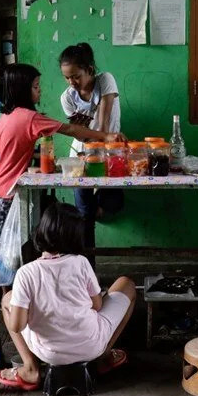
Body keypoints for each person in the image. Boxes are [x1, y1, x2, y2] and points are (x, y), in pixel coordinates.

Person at [0, 63, 126, 297]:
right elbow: (70, 130)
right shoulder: (31, 118)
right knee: (11, 244)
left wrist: (30, 164)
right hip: (12, 189)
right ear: (22, 90)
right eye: (36, 86)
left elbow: (0, 149)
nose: (40, 91)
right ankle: (8, 294)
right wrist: (106, 135)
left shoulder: (5, 117)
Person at [0, 203, 136, 391]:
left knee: (8, 300)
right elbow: (97, 305)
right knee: (127, 284)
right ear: (75, 237)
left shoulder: (26, 273)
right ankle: (103, 358)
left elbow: (17, 326)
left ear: (41, 231)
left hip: (48, 353)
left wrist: (33, 309)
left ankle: (30, 368)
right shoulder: (81, 263)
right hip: (91, 346)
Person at [59, 43, 124, 253]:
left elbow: (104, 126)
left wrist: (104, 139)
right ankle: (88, 268)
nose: (72, 82)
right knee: (83, 215)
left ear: (89, 69)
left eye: (76, 76)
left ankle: (98, 208)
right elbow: (80, 132)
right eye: (67, 77)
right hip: (82, 158)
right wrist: (91, 149)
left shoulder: (105, 80)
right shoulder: (67, 97)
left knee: (114, 202)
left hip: (111, 154)